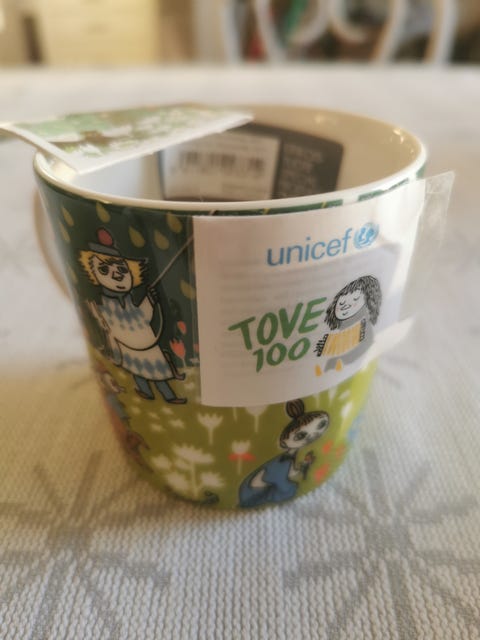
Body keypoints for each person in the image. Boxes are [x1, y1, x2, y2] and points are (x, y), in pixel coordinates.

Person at [79, 228, 186, 404]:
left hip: (147, 345)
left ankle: (169, 396)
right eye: (104, 270)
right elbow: (117, 325)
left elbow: (143, 316)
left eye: (122, 269)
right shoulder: (107, 306)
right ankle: (145, 392)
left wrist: (149, 301)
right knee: (137, 372)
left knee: (159, 372)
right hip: (130, 348)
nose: (117, 275)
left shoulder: (128, 302)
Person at [238, 399, 329, 508]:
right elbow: (276, 477)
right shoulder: (282, 461)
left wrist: (305, 464)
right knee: (290, 489)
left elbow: (290, 473)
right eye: (300, 436)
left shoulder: (287, 458)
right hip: (253, 496)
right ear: (284, 443)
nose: (313, 436)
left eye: (321, 425)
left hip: (261, 490)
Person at [314, 275, 382, 373]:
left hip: (353, 370)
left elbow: (366, 344)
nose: (346, 306)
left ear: (368, 302)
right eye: (341, 303)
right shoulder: (336, 331)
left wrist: (341, 360)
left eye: (355, 300)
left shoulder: (363, 326)